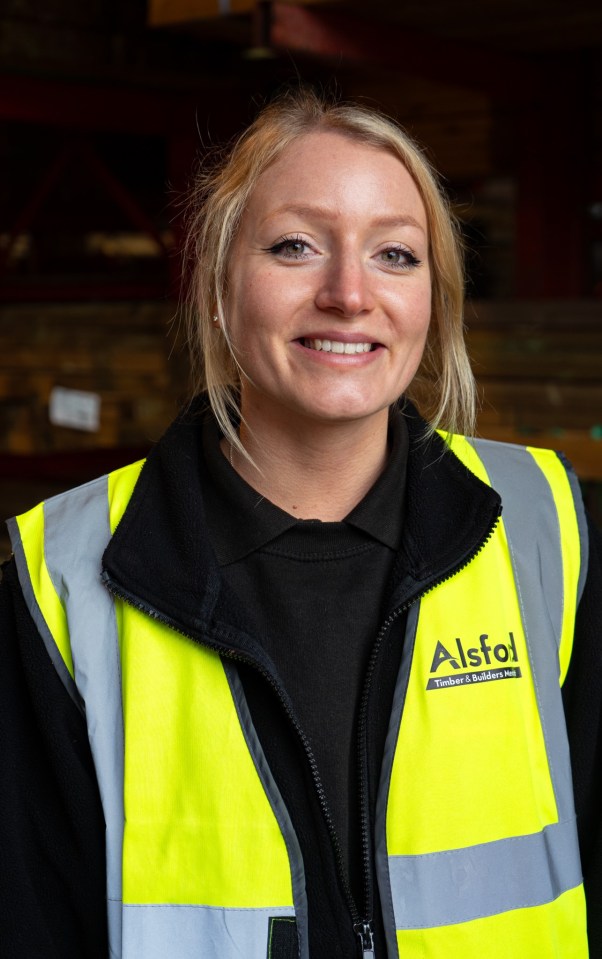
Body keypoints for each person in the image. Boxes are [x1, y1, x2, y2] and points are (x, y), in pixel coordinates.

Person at [1, 89, 601, 959]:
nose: (350, 293)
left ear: (433, 299)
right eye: (295, 246)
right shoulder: (56, 573)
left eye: (395, 253)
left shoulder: (551, 528)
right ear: (216, 285)